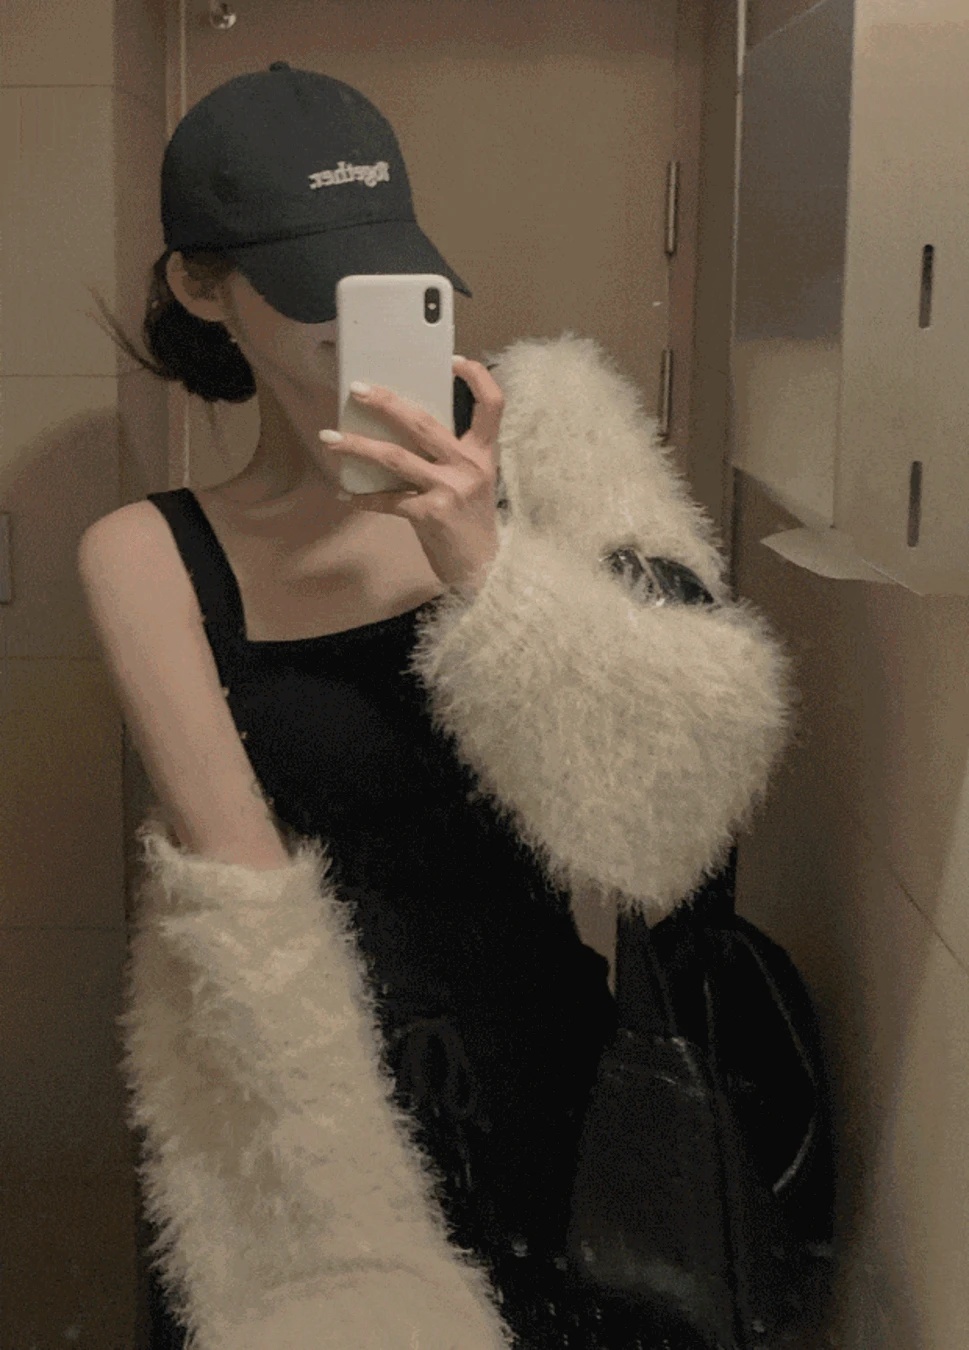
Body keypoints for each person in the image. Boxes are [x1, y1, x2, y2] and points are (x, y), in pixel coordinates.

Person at [79, 64, 797, 1350]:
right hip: (313, 1112)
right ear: (201, 287)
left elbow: (672, 808)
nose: (351, 318)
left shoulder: (546, 466)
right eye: (311, 284)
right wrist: (338, 1204)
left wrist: (485, 570)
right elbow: (240, 894)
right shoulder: (148, 554)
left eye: (378, 272)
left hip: (557, 1075)